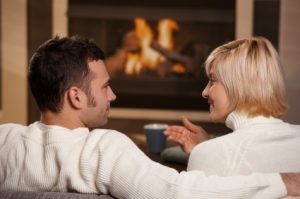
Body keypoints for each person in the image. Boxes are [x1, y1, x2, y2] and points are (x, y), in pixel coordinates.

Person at [0, 35, 299, 198]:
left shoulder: (6, 139)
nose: (112, 96)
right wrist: (282, 181)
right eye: (105, 87)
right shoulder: (103, 150)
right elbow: (182, 193)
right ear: (76, 97)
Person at [164, 37, 300, 184]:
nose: (205, 92)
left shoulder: (213, 153)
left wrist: (204, 153)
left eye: (213, 80)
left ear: (240, 85)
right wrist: (205, 147)